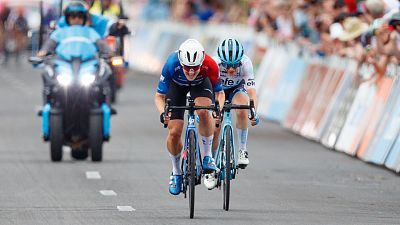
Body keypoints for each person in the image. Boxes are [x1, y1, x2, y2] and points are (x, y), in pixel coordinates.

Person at [154, 39, 225, 195]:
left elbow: (219, 93)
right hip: (177, 87)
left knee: (204, 111)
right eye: (187, 68)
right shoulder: (172, 63)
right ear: (181, 62)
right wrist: (162, 113)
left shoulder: (210, 64)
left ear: (201, 63)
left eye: (195, 68)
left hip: (201, 85)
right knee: (174, 132)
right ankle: (176, 171)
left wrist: (217, 109)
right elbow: (159, 96)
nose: (191, 72)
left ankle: (207, 156)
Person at [204, 38, 259, 190]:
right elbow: (207, 90)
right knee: (215, 126)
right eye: (227, 65)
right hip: (217, 91)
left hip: (236, 89)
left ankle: (242, 150)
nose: (231, 69)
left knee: (243, 107)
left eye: (235, 65)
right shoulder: (214, 63)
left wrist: (253, 111)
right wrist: (210, 111)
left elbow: (252, 91)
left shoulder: (246, 63)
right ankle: (211, 166)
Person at [36, 1, 110, 104]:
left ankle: (105, 106)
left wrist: (111, 53)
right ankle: (47, 105)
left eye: (80, 16)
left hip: (87, 65)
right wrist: (42, 53)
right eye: (73, 16)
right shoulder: (60, 32)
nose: (76, 19)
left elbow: (103, 45)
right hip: (64, 65)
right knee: (48, 75)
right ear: (67, 18)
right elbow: (48, 45)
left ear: (84, 18)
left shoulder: (90, 32)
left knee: (105, 74)